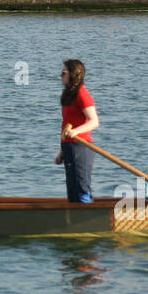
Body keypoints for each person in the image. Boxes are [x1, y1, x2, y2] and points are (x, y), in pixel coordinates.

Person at [55, 59, 100, 204]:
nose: (60, 75)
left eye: (64, 72)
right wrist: (62, 151)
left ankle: (87, 215)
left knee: (82, 187)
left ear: (73, 74)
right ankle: (73, 218)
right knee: (72, 190)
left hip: (82, 147)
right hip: (69, 147)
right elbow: (67, 125)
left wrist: (75, 132)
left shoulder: (82, 93)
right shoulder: (69, 95)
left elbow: (94, 121)